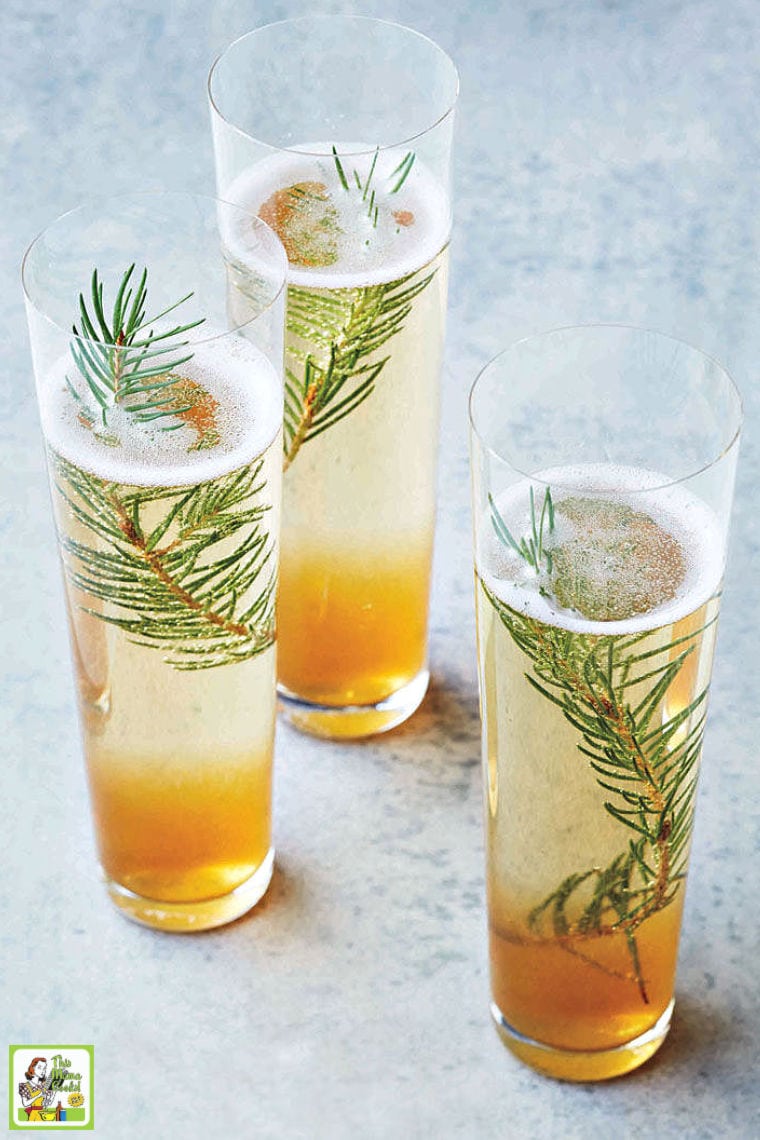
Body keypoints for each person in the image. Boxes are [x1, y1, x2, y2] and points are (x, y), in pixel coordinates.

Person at [18, 1057, 56, 1122]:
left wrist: (54, 1091)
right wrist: (38, 1095)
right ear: (32, 1068)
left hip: (43, 1115)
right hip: (33, 1116)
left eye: (44, 1069)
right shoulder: (25, 1086)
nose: (43, 1071)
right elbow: (25, 1103)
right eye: (39, 1068)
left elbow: (48, 1103)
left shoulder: (44, 1085)